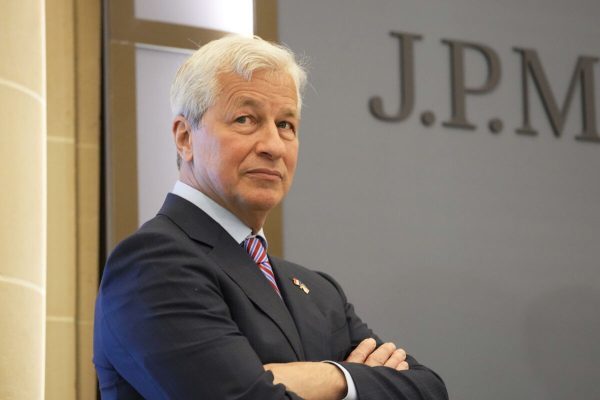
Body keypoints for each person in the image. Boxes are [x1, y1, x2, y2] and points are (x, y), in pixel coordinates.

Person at [93, 35, 448, 400]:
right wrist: (358, 380)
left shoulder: (319, 293)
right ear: (185, 138)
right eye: (245, 119)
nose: (273, 146)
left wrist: (332, 377)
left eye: (285, 125)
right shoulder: (153, 263)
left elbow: (429, 389)